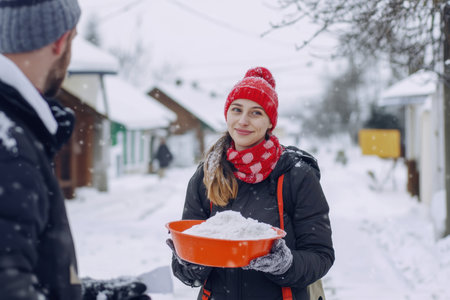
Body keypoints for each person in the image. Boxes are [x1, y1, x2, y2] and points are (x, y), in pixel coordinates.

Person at [0, 1, 150, 299]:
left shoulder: (15, 124)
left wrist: (89, 294)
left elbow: (28, 275)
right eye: (74, 39)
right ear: (60, 41)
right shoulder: (10, 147)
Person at [168, 67, 334, 299]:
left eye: (256, 113)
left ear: (270, 122)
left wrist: (285, 264)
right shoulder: (206, 175)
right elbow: (189, 275)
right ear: (227, 114)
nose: (243, 121)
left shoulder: (297, 175)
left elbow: (321, 255)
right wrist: (189, 260)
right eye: (237, 110)